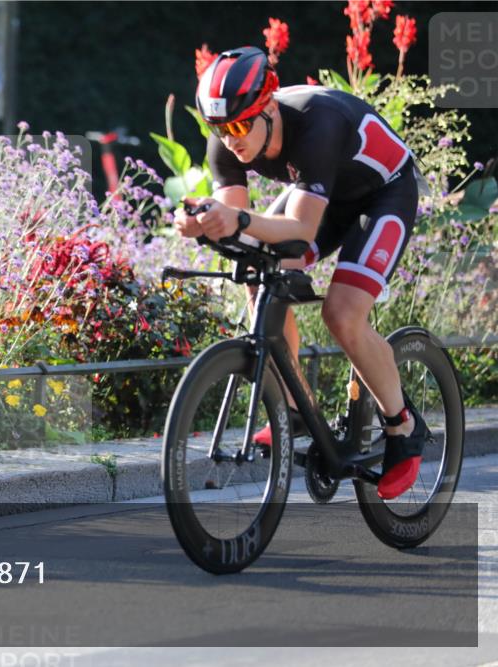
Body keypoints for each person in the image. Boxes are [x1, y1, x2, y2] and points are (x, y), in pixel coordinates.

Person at [173, 46, 426, 500]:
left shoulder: (317, 122)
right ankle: (291, 409)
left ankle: (401, 426)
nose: (231, 139)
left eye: (239, 125)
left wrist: (242, 221)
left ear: (268, 107)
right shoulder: (227, 141)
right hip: (321, 195)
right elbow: (238, 229)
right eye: (219, 128)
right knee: (255, 271)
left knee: (342, 314)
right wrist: (201, 223)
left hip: (382, 195)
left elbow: (302, 227)